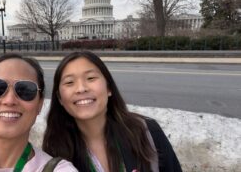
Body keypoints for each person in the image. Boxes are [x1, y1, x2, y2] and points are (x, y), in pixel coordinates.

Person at [43, 51, 182, 172]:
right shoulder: (55, 151)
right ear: (60, 98)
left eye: (90, 78)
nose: (81, 88)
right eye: (69, 82)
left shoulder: (146, 132)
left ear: (109, 88)